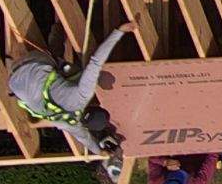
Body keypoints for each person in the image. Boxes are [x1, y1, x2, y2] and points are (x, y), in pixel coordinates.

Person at [9, 25, 131, 156]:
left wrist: (119, 31)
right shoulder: (69, 123)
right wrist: (98, 151)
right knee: (56, 86)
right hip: (13, 80)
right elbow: (84, 138)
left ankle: (59, 26)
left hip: (34, 61)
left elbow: (96, 62)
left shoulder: (83, 95)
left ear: (95, 106)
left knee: (72, 70)